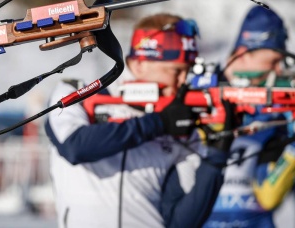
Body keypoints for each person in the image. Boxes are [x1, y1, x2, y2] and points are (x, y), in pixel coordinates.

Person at [45, 12, 234, 227]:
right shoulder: (74, 92)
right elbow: (75, 147)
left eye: (188, 71)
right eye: (176, 70)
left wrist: (217, 158)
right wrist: (158, 123)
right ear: (139, 64)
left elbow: (180, 221)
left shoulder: (182, 123)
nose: (183, 81)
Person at [204, 5, 295, 228]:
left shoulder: (279, 109)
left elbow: (268, 196)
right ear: (243, 54)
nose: (277, 72)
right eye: (272, 62)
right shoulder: (200, 93)